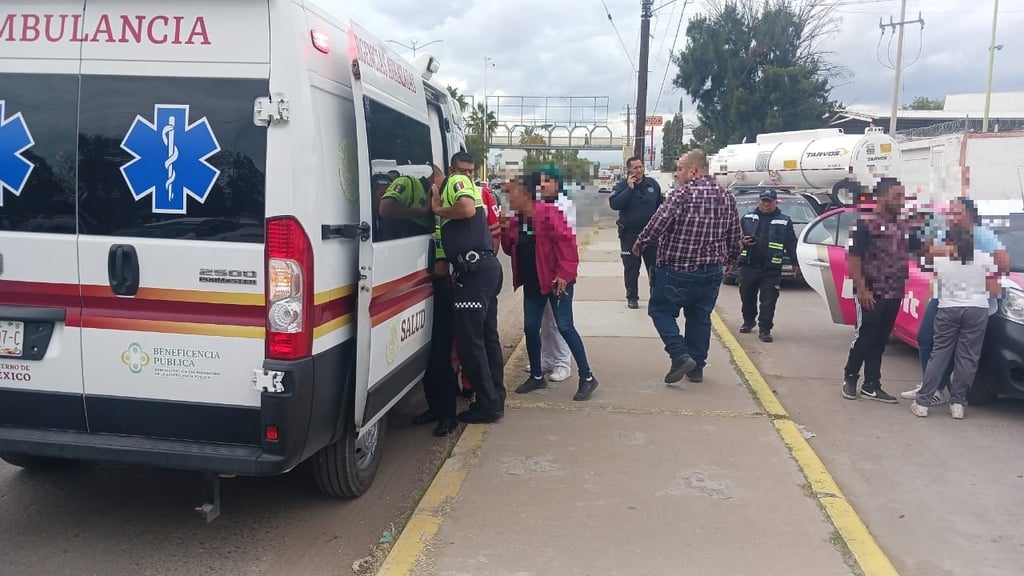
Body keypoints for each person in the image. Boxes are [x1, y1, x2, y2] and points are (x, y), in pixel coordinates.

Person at [633, 150, 742, 385]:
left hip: (677, 269)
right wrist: (732, 258)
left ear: (693, 170)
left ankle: (680, 355)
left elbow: (657, 225)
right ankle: (697, 368)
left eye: (680, 168)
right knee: (699, 316)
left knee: (660, 310)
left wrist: (640, 243)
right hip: (712, 270)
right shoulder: (727, 197)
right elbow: (735, 234)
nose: (676, 173)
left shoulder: (680, 195)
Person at [500, 175, 599, 401]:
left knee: (565, 326)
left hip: (556, 282)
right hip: (534, 283)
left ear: (525, 194)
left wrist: (565, 274)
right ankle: (536, 376)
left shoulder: (548, 214)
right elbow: (510, 251)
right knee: (530, 327)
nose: (508, 198)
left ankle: (587, 377)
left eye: (511, 193)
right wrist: (505, 231)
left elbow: (568, 245)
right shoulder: (517, 220)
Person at [901, 198, 1009, 402]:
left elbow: (1003, 262)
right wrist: (951, 251)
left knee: (959, 351)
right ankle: (931, 387)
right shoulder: (946, 234)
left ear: (970, 215)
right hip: (944, 296)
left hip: (973, 301)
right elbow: (930, 256)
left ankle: (942, 392)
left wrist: (975, 268)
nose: (952, 218)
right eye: (950, 213)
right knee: (926, 339)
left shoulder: (983, 235)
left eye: (957, 213)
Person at [431, 152, 505, 424]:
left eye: (471, 171)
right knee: (487, 338)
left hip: (475, 274)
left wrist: (437, 209)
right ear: (452, 167)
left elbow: (466, 210)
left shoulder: (454, 183)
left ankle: (488, 405)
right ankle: (496, 397)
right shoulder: (469, 185)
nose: (467, 175)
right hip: (484, 269)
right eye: (464, 170)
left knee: (470, 344)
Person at [841, 177, 911, 404]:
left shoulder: (902, 225)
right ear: (881, 197)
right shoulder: (864, 224)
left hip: (894, 292)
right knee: (865, 335)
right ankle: (850, 377)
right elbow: (853, 258)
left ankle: (872, 384)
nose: (901, 201)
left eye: (902, 196)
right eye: (896, 196)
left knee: (881, 339)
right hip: (870, 291)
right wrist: (862, 289)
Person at [522, 165, 574, 383]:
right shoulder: (540, 206)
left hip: (557, 275)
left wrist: (564, 272)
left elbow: (567, 244)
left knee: (557, 321)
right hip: (540, 275)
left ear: (557, 183)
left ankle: (563, 362)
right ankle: (547, 358)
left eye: (548, 181)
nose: (543, 185)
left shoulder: (563, 206)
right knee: (542, 321)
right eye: (541, 181)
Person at [414, 223, 461, 436]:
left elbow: (442, 268)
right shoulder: (426, 227)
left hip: (443, 292)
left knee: (441, 357)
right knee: (427, 356)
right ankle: (434, 407)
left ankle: (448, 416)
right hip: (426, 291)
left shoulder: (443, 230)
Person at [736, 189, 801, 342]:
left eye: (769, 201)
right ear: (759, 201)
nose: (766, 204)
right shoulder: (747, 218)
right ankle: (748, 321)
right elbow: (735, 239)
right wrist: (741, 243)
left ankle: (765, 329)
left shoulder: (784, 220)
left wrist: (795, 263)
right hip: (749, 265)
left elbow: (791, 243)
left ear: (775, 202)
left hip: (771, 268)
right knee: (747, 296)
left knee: (769, 300)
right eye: (763, 201)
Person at [609, 156, 662, 309]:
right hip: (630, 235)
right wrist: (629, 189)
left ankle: (656, 296)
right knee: (631, 268)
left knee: (655, 268)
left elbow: (661, 205)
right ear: (629, 170)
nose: (639, 170)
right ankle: (632, 297)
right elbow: (614, 204)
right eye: (635, 168)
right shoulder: (621, 186)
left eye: (640, 167)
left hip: (651, 235)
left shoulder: (652, 185)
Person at [377, 166, 437, 240]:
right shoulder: (407, 181)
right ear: (436, 177)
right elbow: (386, 208)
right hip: (393, 246)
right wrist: (423, 211)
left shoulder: (434, 197)